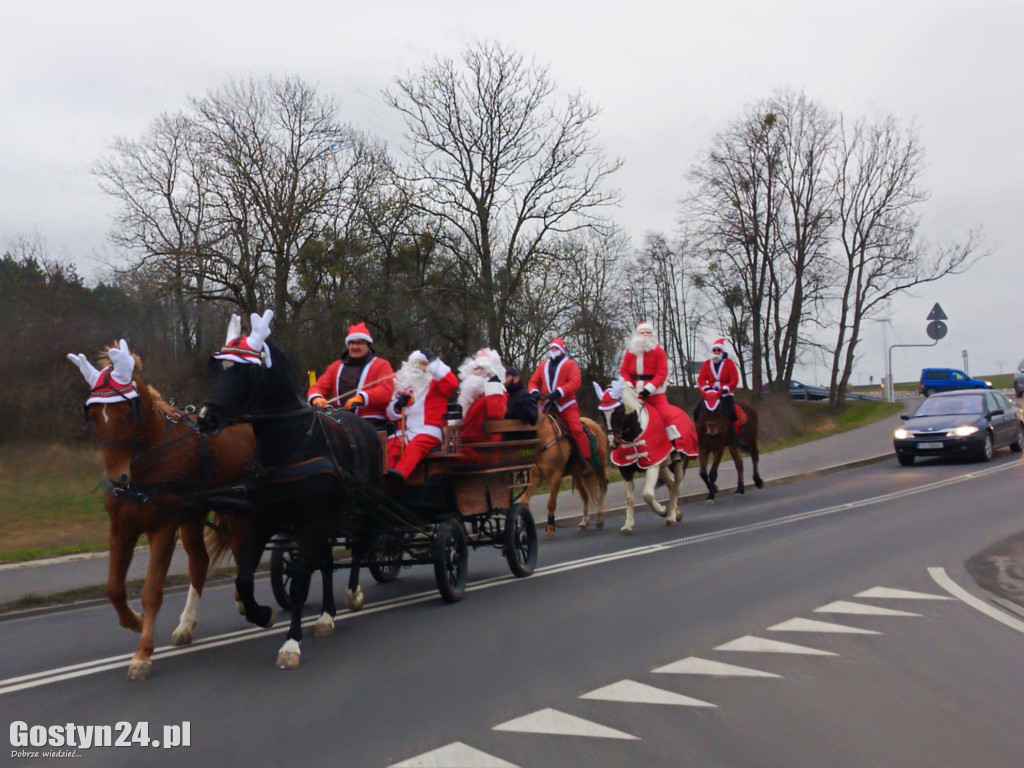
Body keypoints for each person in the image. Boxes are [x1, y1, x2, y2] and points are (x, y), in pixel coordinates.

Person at [619, 321, 698, 456]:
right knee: (620, 416)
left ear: (652, 335)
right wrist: (629, 385)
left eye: (648, 333)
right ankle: (621, 447)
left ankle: (674, 446)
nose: (645, 336)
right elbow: (624, 371)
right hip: (633, 394)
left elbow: (662, 372)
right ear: (637, 335)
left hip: (655, 394)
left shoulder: (659, 352)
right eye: (642, 333)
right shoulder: (630, 352)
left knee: (666, 416)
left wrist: (649, 389)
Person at [386, 349, 458, 479]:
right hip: (406, 432)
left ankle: (398, 477)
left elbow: (452, 383)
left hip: (428, 430)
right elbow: (390, 414)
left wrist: (434, 361)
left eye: (422, 364)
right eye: (414, 364)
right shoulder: (402, 386)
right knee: (391, 446)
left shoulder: (436, 383)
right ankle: (382, 480)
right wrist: (397, 406)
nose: (417, 368)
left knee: (415, 448)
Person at [308, 322, 394, 430]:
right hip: (339, 420)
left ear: (368, 345)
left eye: (360, 343)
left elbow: (386, 391)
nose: (355, 347)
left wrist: (362, 398)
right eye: (351, 343)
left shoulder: (381, 365)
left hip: (371, 422)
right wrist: (317, 398)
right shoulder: (336, 367)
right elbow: (318, 386)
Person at [527, 337, 594, 476]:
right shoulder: (542, 366)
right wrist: (534, 392)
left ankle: (585, 460)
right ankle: (528, 457)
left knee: (576, 429)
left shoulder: (571, 365)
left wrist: (559, 392)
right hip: (546, 404)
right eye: (551, 348)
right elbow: (533, 381)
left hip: (566, 404)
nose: (553, 351)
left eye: (556, 348)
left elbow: (575, 382)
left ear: (562, 350)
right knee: (531, 427)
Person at [457, 348, 508, 443]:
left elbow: (497, 414)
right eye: (475, 368)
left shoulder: (495, 392)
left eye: (481, 369)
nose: (476, 372)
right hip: (468, 444)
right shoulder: (475, 395)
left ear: (489, 373)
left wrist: (494, 385)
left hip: (483, 447)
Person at [695, 337, 741, 436]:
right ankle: (697, 434)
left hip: (725, 393)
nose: (716, 352)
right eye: (714, 350)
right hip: (710, 394)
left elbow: (734, 379)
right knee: (696, 410)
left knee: (731, 411)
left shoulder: (729, 363)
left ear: (722, 351)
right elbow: (701, 379)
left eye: (718, 350)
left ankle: (737, 434)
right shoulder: (707, 364)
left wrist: (727, 387)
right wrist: (706, 387)